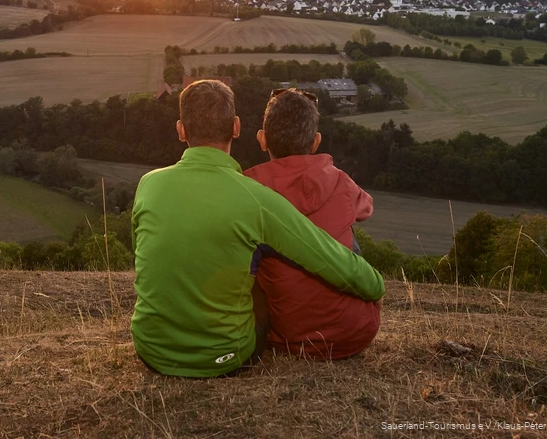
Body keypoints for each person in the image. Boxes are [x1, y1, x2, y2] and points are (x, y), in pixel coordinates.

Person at [130, 80, 385, 378]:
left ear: (181, 130)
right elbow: (328, 257)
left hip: (149, 350)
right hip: (228, 357)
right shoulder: (257, 198)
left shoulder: (148, 184)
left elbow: (145, 256)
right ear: (236, 127)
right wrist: (375, 287)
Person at [243, 88, 381, 361]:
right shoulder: (340, 180)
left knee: (248, 248)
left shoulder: (247, 190)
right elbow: (366, 208)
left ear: (262, 139)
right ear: (316, 142)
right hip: (356, 333)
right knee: (346, 227)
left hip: (288, 338)